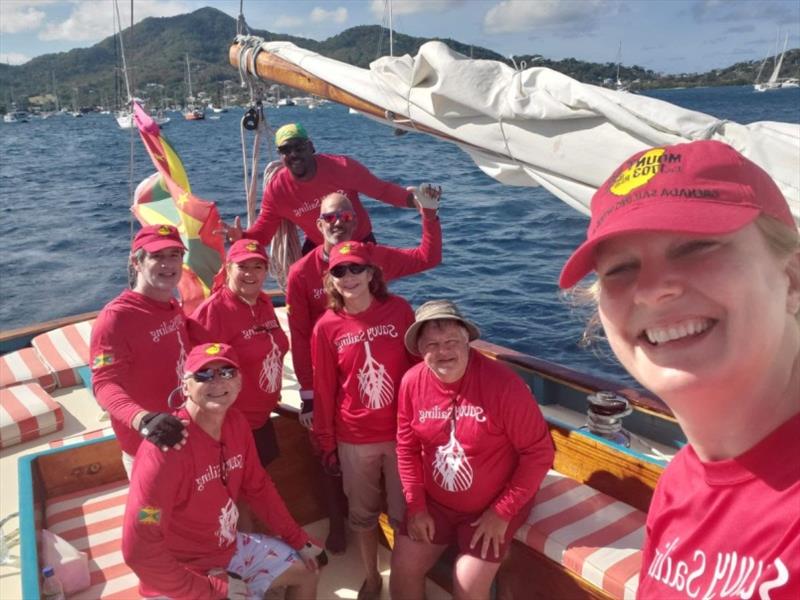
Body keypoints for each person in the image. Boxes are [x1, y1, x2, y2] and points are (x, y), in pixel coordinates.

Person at [558, 140, 800, 599]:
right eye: (620, 269)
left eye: (695, 247)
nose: (650, 290)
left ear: (790, 279)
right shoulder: (680, 481)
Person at [286, 188, 442, 553]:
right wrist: (309, 396)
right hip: (336, 389)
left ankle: (403, 561)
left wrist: (429, 215)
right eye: (329, 218)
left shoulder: (382, 274)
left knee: (402, 499)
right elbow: (299, 333)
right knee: (335, 468)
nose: (337, 223)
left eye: (345, 217)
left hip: (393, 418)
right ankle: (339, 526)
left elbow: (426, 256)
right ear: (318, 223)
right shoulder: (300, 274)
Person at [122, 342, 323, 600]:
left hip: (227, 549)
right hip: (182, 569)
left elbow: (258, 487)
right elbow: (139, 551)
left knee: (308, 571)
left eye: (227, 372)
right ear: (186, 386)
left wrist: (297, 538)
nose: (217, 382)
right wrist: (210, 589)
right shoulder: (165, 450)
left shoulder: (237, 424)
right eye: (204, 375)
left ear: (239, 382)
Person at [391, 300, 554, 600]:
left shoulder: (504, 386)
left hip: (492, 507)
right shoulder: (411, 383)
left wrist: (501, 512)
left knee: (466, 582)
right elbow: (407, 447)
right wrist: (416, 506)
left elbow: (539, 453)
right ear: (420, 350)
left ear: (467, 341)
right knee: (402, 568)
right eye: (432, 344)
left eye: (452, 341)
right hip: (435, 504)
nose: (443, 351)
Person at [311, 241, 416, 600]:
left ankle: (405, 582)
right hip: (354, 437)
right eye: (340, 271)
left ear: (372, 274)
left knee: (405, 516)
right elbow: (324, 390)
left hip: (402, 435)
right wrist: (326, 444)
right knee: (362, 515)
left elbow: (419, 372)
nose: (349, 277)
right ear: (331, 280)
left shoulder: (399, 311)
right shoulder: (326, 327)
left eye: (357, 268)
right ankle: (372, 579)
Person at [221, 122, 425, 252]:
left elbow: (382, 190)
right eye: (286, 150)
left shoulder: (342, 167)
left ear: (310, 147)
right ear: (280, 155)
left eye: (299, 147)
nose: (293, 154)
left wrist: (416, 202)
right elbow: (263, 234)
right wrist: (242, 237)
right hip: (320, 247)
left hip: (360, 243)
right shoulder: (278, 190)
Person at [90, 224, 191, 478]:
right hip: (147, 445)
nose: (168, 264)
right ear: (137, 262)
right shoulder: (116, 318)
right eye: (157, 256)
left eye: (174, 255)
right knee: (154, 518)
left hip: (185, 435)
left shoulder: (172, 305)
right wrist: (143, 420)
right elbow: (103, 384)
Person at [188, 238, 289, 469]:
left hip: (262, 418)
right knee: (237, 494)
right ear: (228, 268)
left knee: (260, 484)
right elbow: (195, 375)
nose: (250, 273)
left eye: (258, 266)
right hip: (230, 425)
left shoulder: (263, 302)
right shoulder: (213, 312)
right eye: (242, 266)